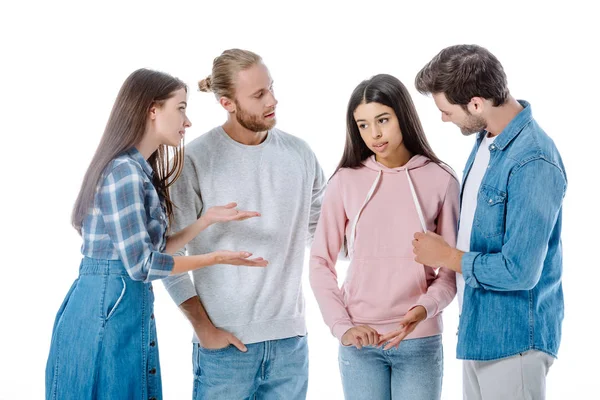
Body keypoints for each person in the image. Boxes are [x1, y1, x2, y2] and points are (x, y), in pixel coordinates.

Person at [45, 68, 266, 400]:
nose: (187, 121)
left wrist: (204, 222)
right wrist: (216, 258)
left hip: (118, 300)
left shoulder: (137, 171)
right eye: (180, 108)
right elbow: (143, 266)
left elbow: (157, 248)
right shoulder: (124, 173)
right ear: (152, 110)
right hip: (107, 304)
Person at [162, 49, 326, 399]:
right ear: (227, 103)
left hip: (289, 345)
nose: (273, 100)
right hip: (224, 349)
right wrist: (204, 329)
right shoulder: (195, 160)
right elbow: (167, 259)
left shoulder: (300, 154)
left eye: (271, 88)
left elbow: (327, 238)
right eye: (258, 95)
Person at [413, 44, 567, 400]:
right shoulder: (487, 140)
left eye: (447, 111)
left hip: (515, 342)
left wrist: (446, 257)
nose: (443, 119)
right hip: (479, 332)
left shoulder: (534, 159)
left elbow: (520, 271)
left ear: (477, 104)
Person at [309, 73, 459, 400]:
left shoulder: (441, 179)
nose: (374, 134)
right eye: (362, 125)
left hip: (418, 339)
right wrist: (342, 326)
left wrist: (424, 309)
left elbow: (450, 271)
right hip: (361, 342)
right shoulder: (345, 181)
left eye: (382, 120)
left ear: (402, 116)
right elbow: (320, 262)